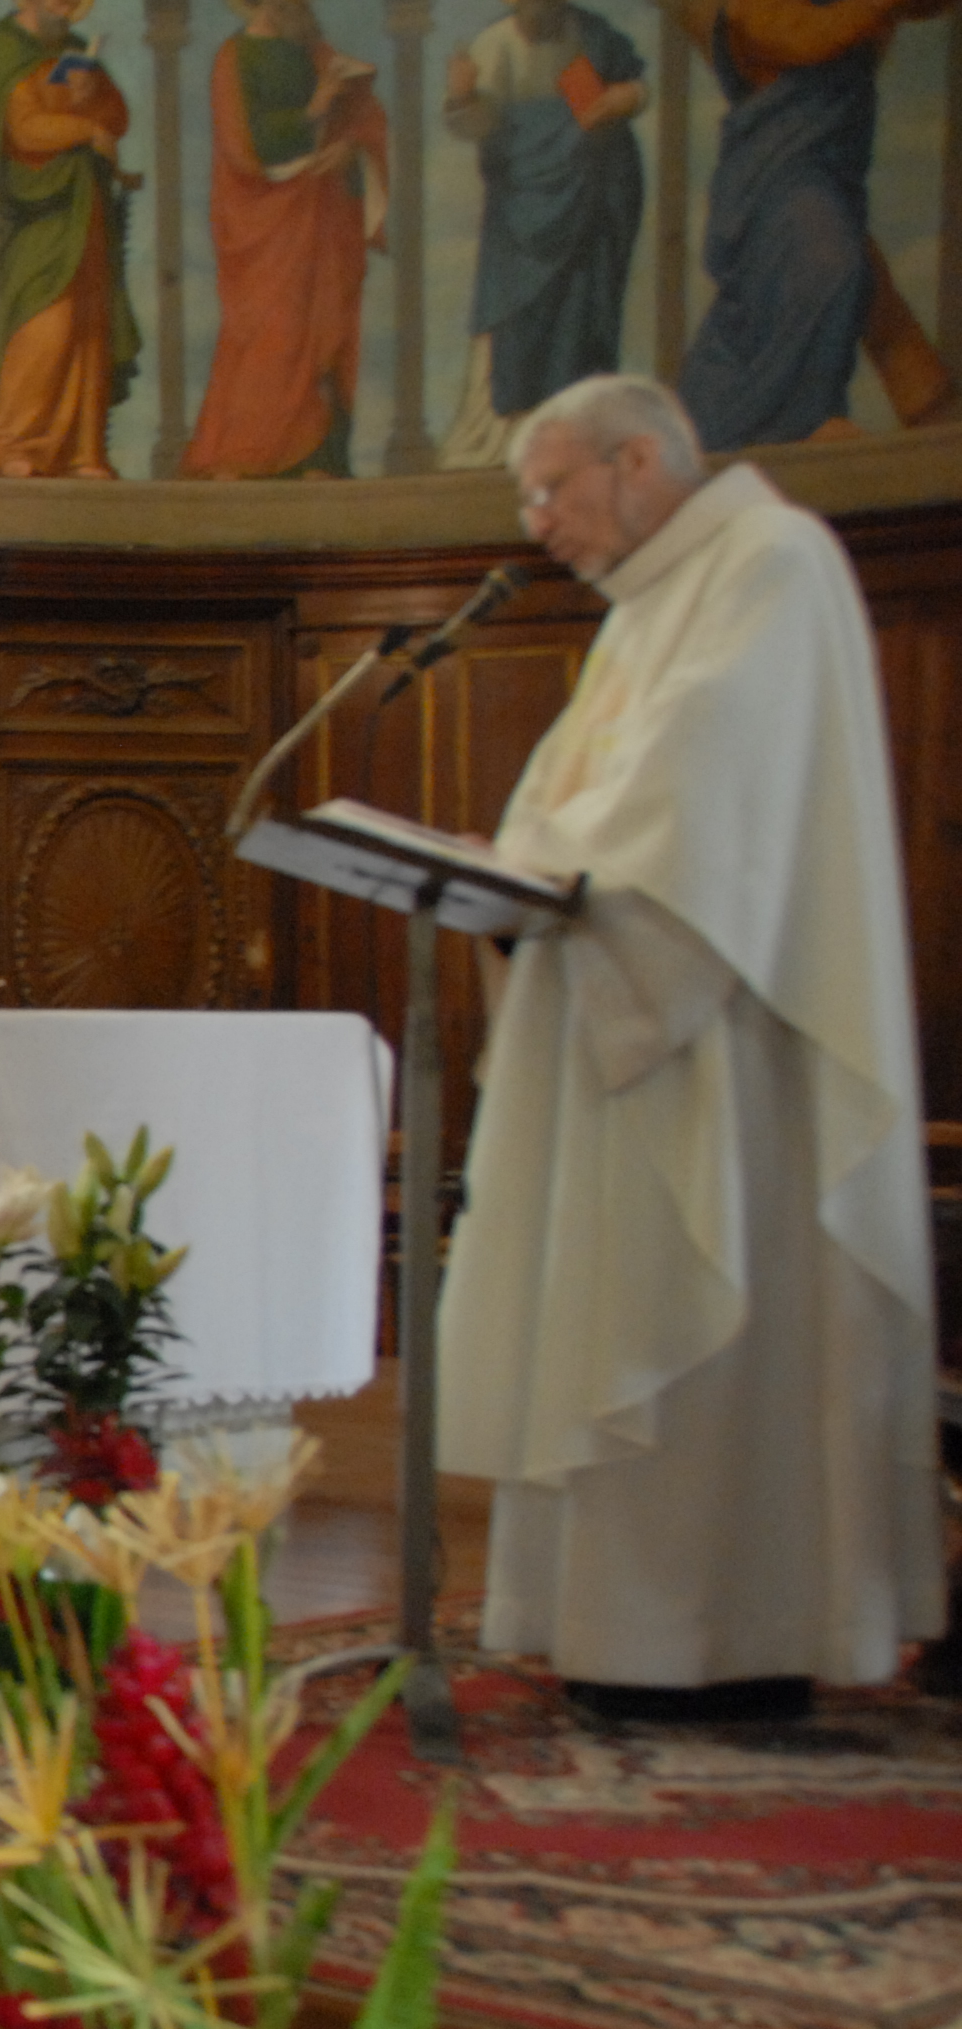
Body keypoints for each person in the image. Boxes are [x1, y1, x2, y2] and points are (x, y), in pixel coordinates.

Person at [440, 375, 939, 1715]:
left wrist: (550, 870)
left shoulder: (771, 560)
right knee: (619, 1314)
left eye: (550, 489)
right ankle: (618, 1635)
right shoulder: (648, 604)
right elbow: (573, 798)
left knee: (707, 1324)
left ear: (639, 459)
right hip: (619, 1017)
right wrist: (517, 868)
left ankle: (729, 1638)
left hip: (728, 1038)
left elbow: (703, 799)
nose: (536, 523)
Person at [671, 0, 953, 452]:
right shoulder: (743, 14)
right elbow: (793, 36)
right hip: (778, 176)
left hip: (832, 171)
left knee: (819, 290)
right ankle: (796, 423)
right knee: (827, 263)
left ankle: (728, 420)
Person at [434, 0, 648, 469]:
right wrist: (463, 97)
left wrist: (620, 100)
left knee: (582, 316)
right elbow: (478, 124)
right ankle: (518, 437)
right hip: (522, 214)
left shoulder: (590, 34)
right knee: (518, 320)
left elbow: (635, 88)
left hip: (589, 207)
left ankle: (579, 436)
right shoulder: (495, 45)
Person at [182, 0, 387, 480]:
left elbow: (362, 121)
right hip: (266, 217)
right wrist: (313, 109)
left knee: (325, 327)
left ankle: (319, 457)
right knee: (272, 330)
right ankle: (251, 453)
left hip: (323, 210)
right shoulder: (235, 57)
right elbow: (242, 145)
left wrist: (349, 148)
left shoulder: (315, 51)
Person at [0, 0, 138, 478]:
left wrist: (91, 96)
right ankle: (13, 445)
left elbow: (118, 117)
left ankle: (82, 451)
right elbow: (23, 129)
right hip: (37, 208)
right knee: (46, 319)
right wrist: (84, 127)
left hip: (84, 207)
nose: (66, 7)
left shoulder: (75, 50)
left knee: (89, 323)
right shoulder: (5, 44)